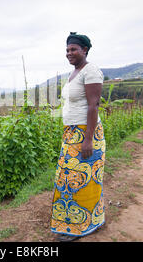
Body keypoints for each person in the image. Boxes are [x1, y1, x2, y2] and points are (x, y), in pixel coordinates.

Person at [50, 32, 106, 242]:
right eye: (67, 50)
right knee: (67, 179)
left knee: (81, 181)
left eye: (73, 49)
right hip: (72, 133)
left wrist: (88, 140)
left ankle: (83, 226)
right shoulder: (74, 73)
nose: (69, 53)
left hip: (86, 133)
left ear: (85, 50)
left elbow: (93, 105)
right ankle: (76, 222)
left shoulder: (91, 71)